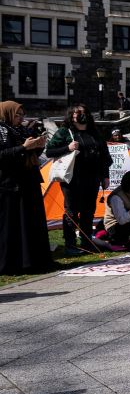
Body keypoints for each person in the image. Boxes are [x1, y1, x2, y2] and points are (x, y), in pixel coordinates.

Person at [45, 105, 113, 255]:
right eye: (76, 113)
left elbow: (104, 156)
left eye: (82, 112)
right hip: (72, 179)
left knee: (89, 211)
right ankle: (70, 245)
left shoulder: (94, 133)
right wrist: (67, 148)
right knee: (72, 211)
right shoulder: (65, 132)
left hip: (92, 177)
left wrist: (105, 175)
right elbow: (49, 151)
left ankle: (86, 241)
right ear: (71, 116)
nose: (80, 115)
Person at [0, 101, 52, 275]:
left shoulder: (22, 130)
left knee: (31, 222)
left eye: (22, 114)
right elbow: (3, 155)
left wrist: (38, 146)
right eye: (17, 115)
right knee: (13, 225)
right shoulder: (2, 130)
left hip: (28, 181)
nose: (21, 118)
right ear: (7, 114)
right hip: (11, 184)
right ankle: (13, 264)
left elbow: (28, 154)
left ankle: (35, 260)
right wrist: (24, 147)